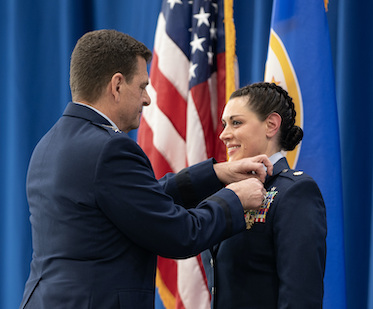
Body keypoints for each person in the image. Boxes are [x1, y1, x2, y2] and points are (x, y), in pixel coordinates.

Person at [19, 30, 273, 309]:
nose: (147, 99)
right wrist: (234, 199)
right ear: (116, 85)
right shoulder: (109, 149)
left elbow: (134, 201)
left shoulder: (48, 145)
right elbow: (180, 233)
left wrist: (215, 174)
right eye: (142, 87)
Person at [201, 82, 327, 308]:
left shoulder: (295, 192)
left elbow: (300, 297)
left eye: (236, 123)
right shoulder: (225, 193)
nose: (223, 135)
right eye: (224, 124)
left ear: (271, 125)